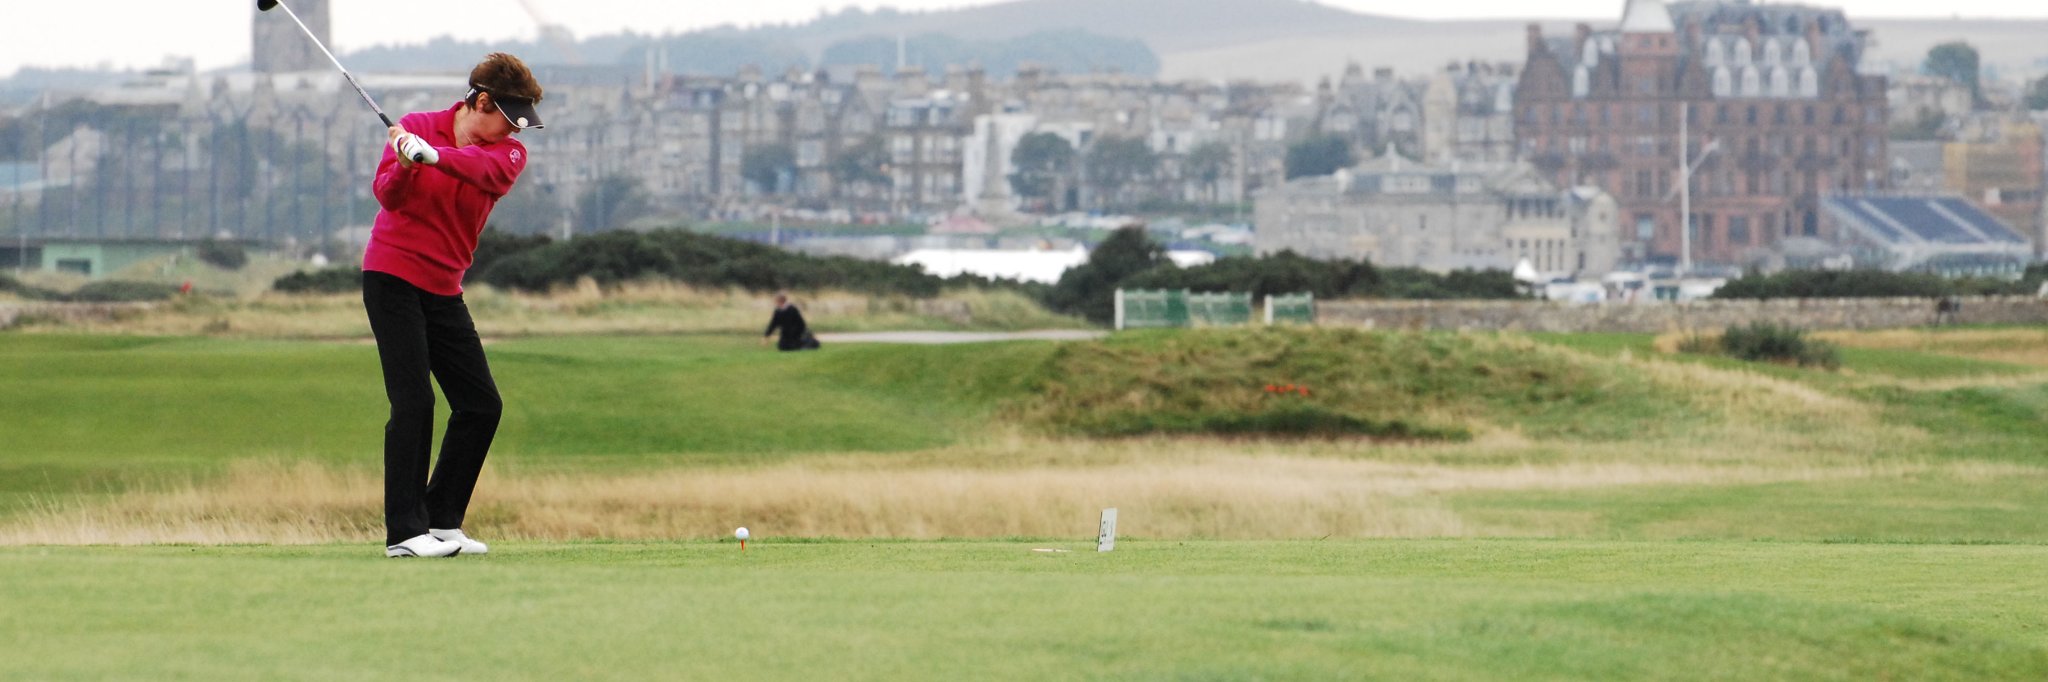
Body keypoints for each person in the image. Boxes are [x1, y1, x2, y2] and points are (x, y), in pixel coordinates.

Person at [362, 53, 544, 558]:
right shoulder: (417, 128)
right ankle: (404, 532)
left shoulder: (507, 155)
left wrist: (434, 157)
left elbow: (483, 171)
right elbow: (387, 197)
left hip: (444, 288)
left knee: (481, 404)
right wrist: (403, 162)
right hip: (391, 277)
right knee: (414, 402)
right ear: (481, 102)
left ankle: (442, 520)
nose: (514, 132)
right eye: (508, 119)